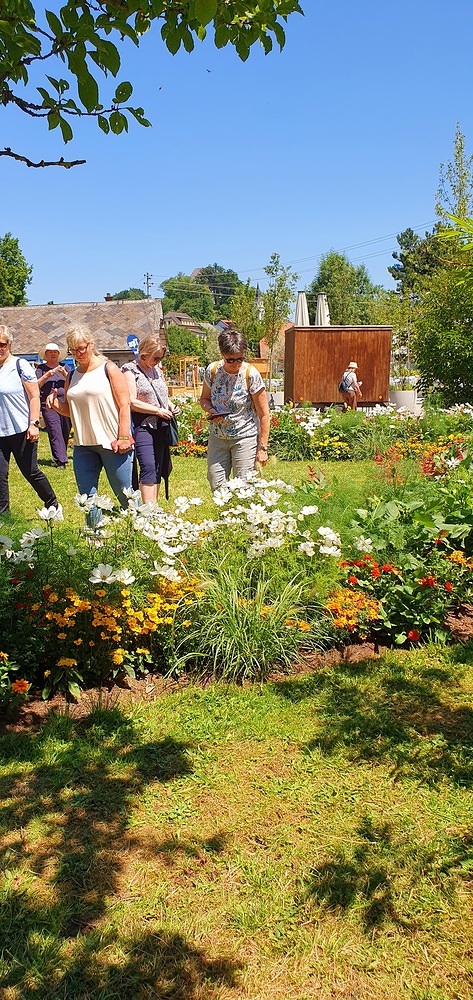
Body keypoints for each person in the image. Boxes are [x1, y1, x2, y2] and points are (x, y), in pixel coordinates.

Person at [46, 327, 133, 523]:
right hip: (83, 445)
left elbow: (124, 405)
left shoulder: (109, 369)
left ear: (91, 344)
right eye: (73, 350)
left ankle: (140, 531)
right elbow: (71, 410)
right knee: (87, 499)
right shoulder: (71, 375)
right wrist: (56, 404)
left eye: (81, 348)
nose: (78, 354)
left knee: (125, 495)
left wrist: (123, 437)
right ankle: (95, 535)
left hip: (112, 443)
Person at [0, 324, 61, 516]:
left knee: (30, 472)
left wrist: (34, 424)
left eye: (2, 344)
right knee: (0, 475)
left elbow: (34, 396)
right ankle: (4, 516)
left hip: (21, 429)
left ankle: (53, 504)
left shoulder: (20, 365)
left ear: (9, 345)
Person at [200, 330, 270, 490]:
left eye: (240, 359)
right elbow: (204, 399)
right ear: (222, 354)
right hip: (218, 437)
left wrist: (262, 448)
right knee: (216, 482)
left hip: (245, 438)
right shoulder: (212, 371)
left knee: (244, 486)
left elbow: (264, 414)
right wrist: (210, 410)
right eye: (230, 360)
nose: (236, 364)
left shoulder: (251, 375)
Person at [122, 335, 179, 503]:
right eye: (156, 358)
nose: (158, 361)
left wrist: (170, 405)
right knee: (147, 465)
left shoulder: (157, 370)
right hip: (143, 424)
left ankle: (154, 506)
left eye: (160, 358)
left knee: (158, 467)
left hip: (161, 425)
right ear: (144, 355)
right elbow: (132, 401)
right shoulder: (130, 370)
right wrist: (157, 411)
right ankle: (148, 509)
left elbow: (160, 394)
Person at [36, 342, 72, 468]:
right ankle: (61, 460)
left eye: (55, 352)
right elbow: (36, 385)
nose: (53, 354)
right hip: (48, 405)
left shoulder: (65, 367)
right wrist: (47, 375)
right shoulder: (41, 369)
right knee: (54, 429)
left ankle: (61, 454)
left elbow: (73, 383)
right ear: (46, 355)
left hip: (65, 403)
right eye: (50, 352)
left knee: (65, 429)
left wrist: (65, 375)